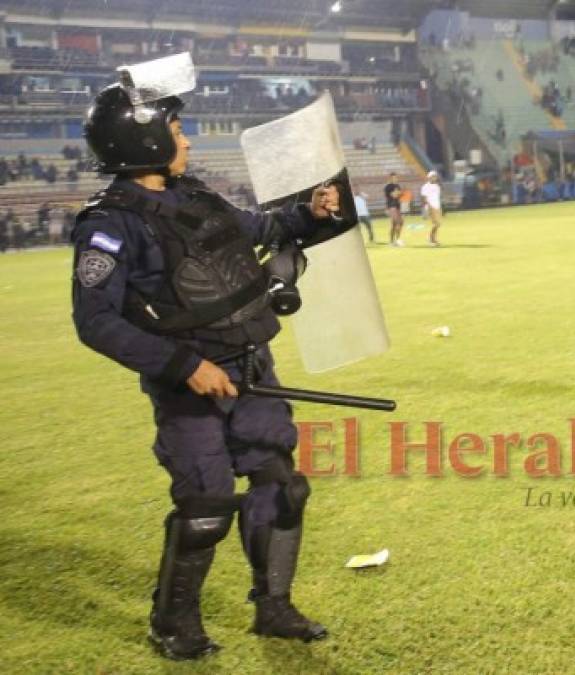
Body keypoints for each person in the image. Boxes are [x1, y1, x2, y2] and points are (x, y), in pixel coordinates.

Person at [72, 82, 342, 660]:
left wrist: (310, 214)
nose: (186, 141)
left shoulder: (197, 198)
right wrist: (183, 365)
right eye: (176, 133)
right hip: (190, 383)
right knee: (207, 504)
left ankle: (273, 607)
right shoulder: (109, 224)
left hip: (254, 370)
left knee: (281, 486)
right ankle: (174, 622)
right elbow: (94, 320)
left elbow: (263, 230)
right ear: (144, 140)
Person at [420, 170, 443, 247]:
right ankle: (430, 239)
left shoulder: (437, 186)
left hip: (437, 207)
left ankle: (433, 239)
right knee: (436, 224)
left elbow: (437, 197)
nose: (434, 178)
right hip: (430, 207)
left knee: (438, 224)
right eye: (432, 176)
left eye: (435, 176)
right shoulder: (425, 187)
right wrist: (424, 210)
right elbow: (424, 198)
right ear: (429, 177)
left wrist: (440, 208)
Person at [384, 171, 404, 247]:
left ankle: (392, 241)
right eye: (394, 177)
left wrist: (400, 193)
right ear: (390, 178)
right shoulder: (388, 186)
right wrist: (399, 193)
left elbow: (399, 195)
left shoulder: (398, 186)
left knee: (397, 223)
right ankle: (397, 240)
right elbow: (393, 195)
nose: (395, 179)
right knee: (398, 222)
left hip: (397, 206)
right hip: (391, 206)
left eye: (396, 177)